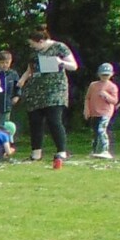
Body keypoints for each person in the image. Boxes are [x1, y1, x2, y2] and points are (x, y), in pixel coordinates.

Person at [16, 26, 78, 161]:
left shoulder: (59, 47)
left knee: (54, 120)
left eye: (33, 44)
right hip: (36, 90)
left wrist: (60, 62)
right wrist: (22, 80)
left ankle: (61, 151)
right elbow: (30, 69)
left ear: (41, 41)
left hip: (55, 89)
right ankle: (36, 153)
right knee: (35, 120)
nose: (31, 46)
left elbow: (74, 66)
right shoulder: (33, 53)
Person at [84, 63, 118, 159]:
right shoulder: (93, 85)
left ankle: (105, 150)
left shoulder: (112, 86)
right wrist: (86, 109)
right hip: (94, 112)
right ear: (99, 74)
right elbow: (87, 98)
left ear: (111, 74)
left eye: (107, 75)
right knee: (94, 132)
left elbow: (114, 101)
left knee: (101, 130)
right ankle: (94, 150)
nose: (104, 77)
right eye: (103, 75)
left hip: (105, 112)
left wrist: (106, 95)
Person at [0, 48, 21, 124]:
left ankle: (4, 135)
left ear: (10, 62)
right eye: (2, 62)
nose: (5, 65)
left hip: (7, 105)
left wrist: (17, 96)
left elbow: (18, 87)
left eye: (7, 62)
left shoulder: (13, 74)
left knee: (5, 125)